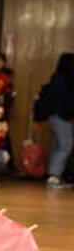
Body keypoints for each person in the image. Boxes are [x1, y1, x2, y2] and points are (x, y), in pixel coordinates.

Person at [42, 53, 74, 189]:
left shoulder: (56, 78)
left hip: (53, 116)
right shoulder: (65, 80)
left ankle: (53, 175)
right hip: (62, 116)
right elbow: (66, 101)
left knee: (58, 145)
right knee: (66, 145)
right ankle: (54, 176)